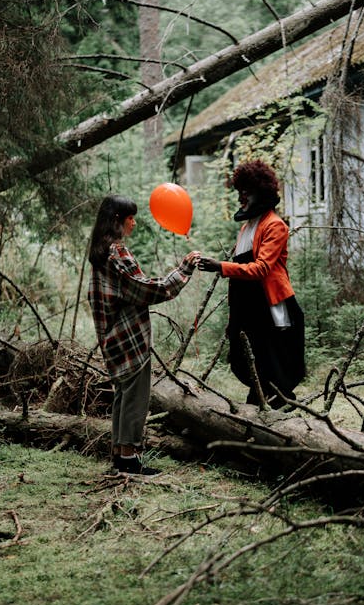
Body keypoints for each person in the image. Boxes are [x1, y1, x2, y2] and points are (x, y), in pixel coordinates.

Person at [88, 194, 200, 474]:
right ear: (117, 221)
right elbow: (147, 290)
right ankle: (128, 461)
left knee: (122, 396)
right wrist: (183, 270)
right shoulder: (117, 252)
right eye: (130, 218)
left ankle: (120, 455)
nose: (134, 224)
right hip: (128, 337)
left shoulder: (101, 253)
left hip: (112, 336)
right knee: (135, 399)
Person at [198, 159, 305, 410]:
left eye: (245, 192)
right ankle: (260, 403)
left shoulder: (275, 225)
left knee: (272, 359)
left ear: (261, 191)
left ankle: (277, 409)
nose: (241, 198)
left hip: (270, 305)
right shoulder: (246, 228)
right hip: (247, 307)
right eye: (239, 192)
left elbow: (260, 269)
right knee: (246, 358)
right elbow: (242, 275)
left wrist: (220, 266)